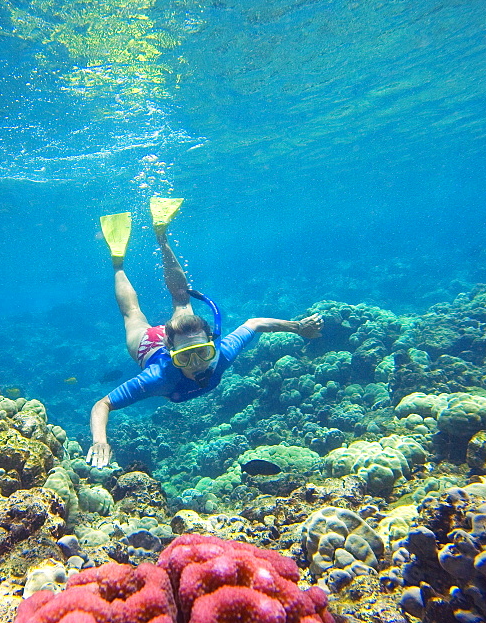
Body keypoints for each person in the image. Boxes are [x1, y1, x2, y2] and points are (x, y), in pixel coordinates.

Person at [87, 198, 323, 468]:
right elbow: (102, 405)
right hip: (148, 346)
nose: (197, 363)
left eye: (202, 353)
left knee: (182, 301)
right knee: (132, 313)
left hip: (178, 339)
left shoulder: (220, 355)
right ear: (172, 354)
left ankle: (161, 235)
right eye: (185, 358)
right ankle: (118, 261)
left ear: (212, 344)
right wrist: (99, 440)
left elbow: (255, 323)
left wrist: (297, 328)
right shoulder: (158, 377)